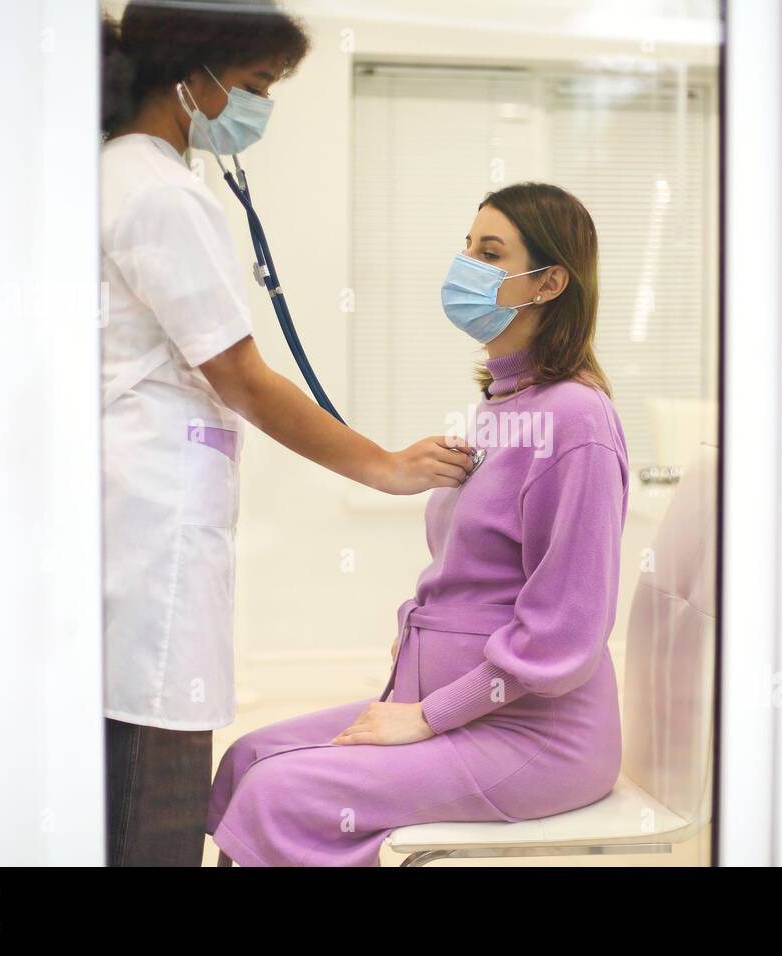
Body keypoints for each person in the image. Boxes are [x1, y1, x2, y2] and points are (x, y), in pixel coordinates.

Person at [99, 0, 474, 867]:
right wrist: (382, 468)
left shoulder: (136, 178)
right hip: (148, 539)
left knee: (151, 770)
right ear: (192, 76)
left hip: (150, 522)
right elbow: (244, 377)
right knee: (148, 803)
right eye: (257, 86)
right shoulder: (153, 189)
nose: (261, 108)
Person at [206, 182, 628, 867]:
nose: (464, 265)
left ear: (549, 282)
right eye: (466, 246)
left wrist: (428, 716)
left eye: (489, 253)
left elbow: (566, 632)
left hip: (535, 737)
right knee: (249, 758)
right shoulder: (502, 406)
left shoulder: (577, 421)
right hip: (459, 709)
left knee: (281, 792)